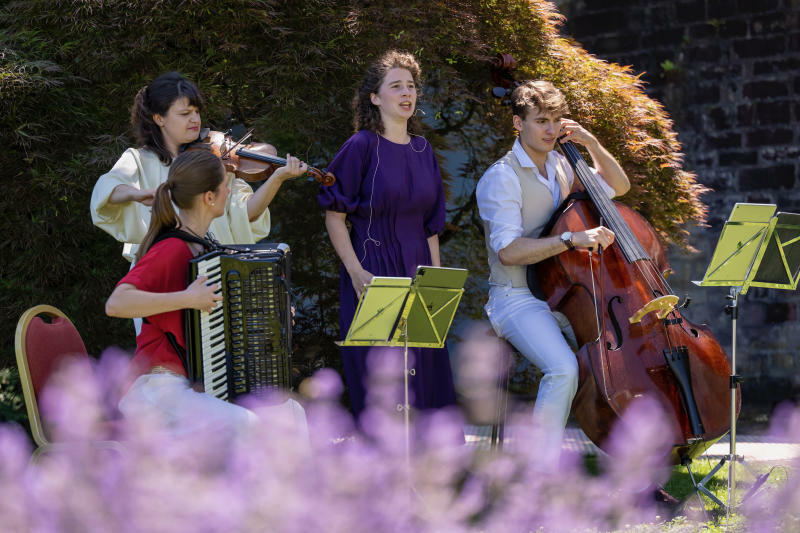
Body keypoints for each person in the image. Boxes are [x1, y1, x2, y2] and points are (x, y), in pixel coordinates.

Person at [476, 80, 630, 465]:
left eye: (556, 121)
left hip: (562, 294)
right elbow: (509, 252)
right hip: (514, 298)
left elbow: (618, 186)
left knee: (619, 359)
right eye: (541, 120)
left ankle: (633, 468)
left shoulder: (562, 165)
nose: (550, 130)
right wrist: (571, 238)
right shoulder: (502, 177)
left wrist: (591, 144)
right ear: (518, 123)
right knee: (563, 369)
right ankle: (537, 475)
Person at [106, 150, 307, 439]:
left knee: (289, 412)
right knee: (247, 425)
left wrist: (273, 315)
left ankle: (297, 486)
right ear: (209, 198)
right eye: (225, 185)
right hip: (157, 392)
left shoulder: (202, 247)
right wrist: (186, 298)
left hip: (193, 385)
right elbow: (116, 303)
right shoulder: (171, 248)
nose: (229, 190)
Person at [319, 50, 457, 420]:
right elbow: (335, 217)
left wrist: (439, 284)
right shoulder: (360, 146)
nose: (406, 93)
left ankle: (429, 473)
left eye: (411, 86)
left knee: (425, 379)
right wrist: (354, 271)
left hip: (420, 270)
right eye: (395, 86)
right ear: (375, 97)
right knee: (383, 383)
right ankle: (383, 474)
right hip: (373, 274)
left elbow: (431, 226)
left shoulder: (423, 149)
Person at [91, 71, 305, 264]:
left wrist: (277, 178)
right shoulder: (139, 159)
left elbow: (246, 214)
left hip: (215, 269)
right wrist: (139, 194)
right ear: (159, 118)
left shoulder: (214, 161)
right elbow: (109, 189)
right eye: (185, 114)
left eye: (196, 111)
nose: (195, 119)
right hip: (164, 269)